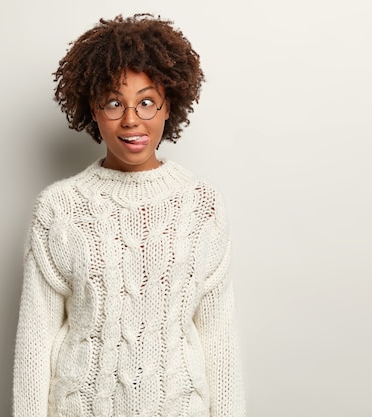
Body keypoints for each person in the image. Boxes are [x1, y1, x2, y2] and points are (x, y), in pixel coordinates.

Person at [13, 13, 246, 417]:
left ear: (168, 105)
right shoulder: (60, 208)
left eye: (146, 102)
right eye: (114, 102)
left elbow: (219, 339)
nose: (131, 119)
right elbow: (36, 340)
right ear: (93, 108)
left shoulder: (202, 206)